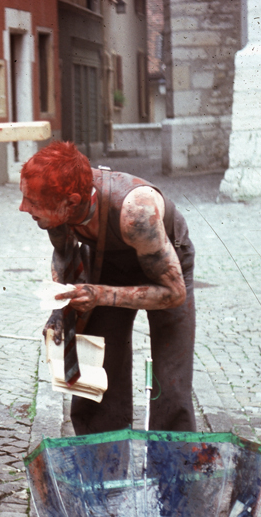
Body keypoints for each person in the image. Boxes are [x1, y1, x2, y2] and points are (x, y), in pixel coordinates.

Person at [19, 141, 196, 435]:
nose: (24, 208)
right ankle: (102, 469)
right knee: (98, 375)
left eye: (33, 203)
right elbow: (63, 254)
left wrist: (99, 295)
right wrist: (59, 311)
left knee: (172, 383)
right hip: (109, 265)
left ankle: (173, 473)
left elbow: (174, 293)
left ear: (72, 201)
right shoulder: (57, 207)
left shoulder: (137, 211)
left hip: (166, 270)